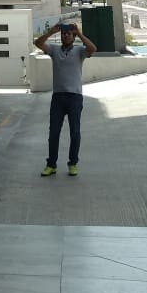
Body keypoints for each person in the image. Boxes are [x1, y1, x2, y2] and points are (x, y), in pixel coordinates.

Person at [34, 21, 96, 177]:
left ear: (73, 37)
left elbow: (92, 49)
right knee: (54, 132)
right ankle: (51, 165)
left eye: (69, 34)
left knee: (75, 132)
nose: (66, 36)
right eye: (63, 34)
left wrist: (79, 33)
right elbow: (38, 43)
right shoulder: (54, 50)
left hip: (75, 97)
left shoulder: (79, 51)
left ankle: (73, 164)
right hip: (58, 97)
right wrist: (51, 32)